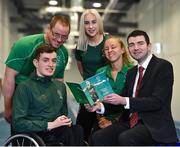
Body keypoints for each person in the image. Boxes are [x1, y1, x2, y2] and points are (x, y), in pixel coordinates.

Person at [89, 30, 178, 145]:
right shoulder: (131, 73)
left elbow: (157, 102)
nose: (136, 48)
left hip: (154, 125)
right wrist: (99, 106)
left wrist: (124, 100)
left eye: (140, 43)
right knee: (98, 137)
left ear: (149, 46)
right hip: (130, 122)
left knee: (126, 138)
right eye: (131, 45)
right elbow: (121, 101)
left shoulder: (163, 66)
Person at [12, 44, 84, 146]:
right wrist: (50, 125)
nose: (51, 64)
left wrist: (64, 120)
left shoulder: (60, 86)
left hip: (57, 132)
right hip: (36, 135)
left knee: (78, 129)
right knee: (66, 132)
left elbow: (63, 113)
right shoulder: (24, 87)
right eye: (46, 60)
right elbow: (18, 123)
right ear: (36, 63)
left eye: (54, 61)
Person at [3, 15, 70, 123]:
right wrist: (7, 108)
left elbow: (58, 81)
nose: (59, 40)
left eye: (64, 37)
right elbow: (8, 78)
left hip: (44, 96)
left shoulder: (63, 53)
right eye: (56, 34)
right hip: (22, 94)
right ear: (49, 29)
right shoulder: (24, 45)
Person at [85, 35, 133, 131]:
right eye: (106, 49)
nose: (109, 50)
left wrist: (113, 122)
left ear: (122, 50)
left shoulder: (132, 71)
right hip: (103, 118)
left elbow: (132, 102)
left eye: (113, 47)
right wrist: (101, 118)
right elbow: (94, 100)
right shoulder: (99, 72)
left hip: (126, 120)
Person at [75, 9, 108, 141]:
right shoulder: (81, 45)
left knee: (103, 129)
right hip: (89, 89)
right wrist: (90, 87)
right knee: (82, 128)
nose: (90, 26)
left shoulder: (107, 41)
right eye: (86, 23)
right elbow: (82, 70)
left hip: (106, 88)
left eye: (94, 22)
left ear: (99, 23)